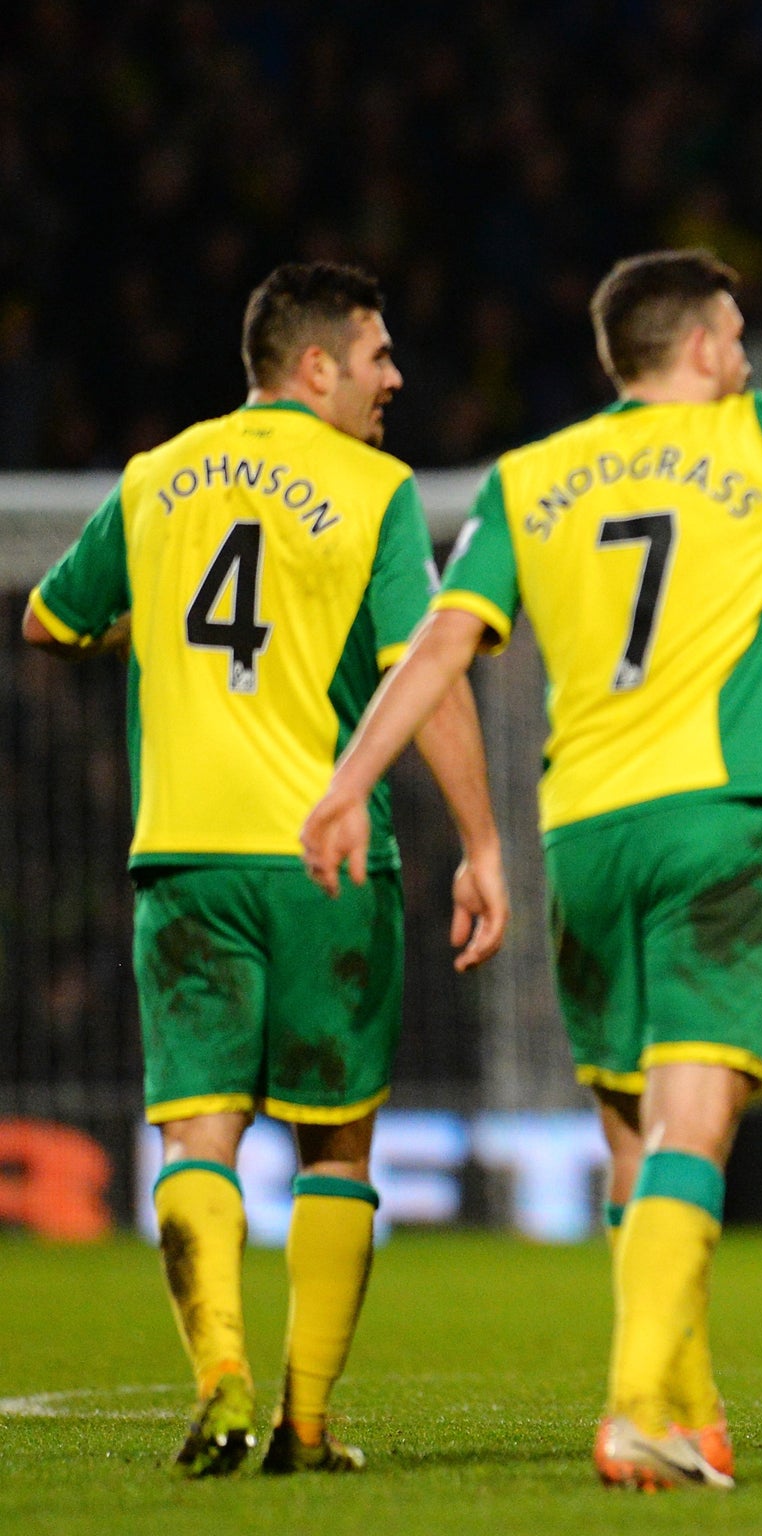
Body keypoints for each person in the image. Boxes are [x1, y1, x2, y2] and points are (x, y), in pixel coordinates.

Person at [299, 112, 762, 1491]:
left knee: (631, 1137)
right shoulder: (758, 443)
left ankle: (685, 1411)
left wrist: (347, 784)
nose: (746, 356)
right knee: (694, 1124)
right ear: (694, 352)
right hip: (715, 824)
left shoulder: (529, 478)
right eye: (736, 337)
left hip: (583, 833)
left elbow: (439, 642)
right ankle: (639, 1403)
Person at [23, 261, 508, 1477]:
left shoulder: (154, 477)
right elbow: (425, 670)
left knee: (199, 1138)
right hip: (323, 861)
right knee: (336, 1147)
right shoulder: (372, 489)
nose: (396, 378)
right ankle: (302, 1420)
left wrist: (157, 633)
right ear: (315, 366)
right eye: (379, 354)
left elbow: (47, 620)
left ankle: (219, 1374)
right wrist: (485, 844)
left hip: (180, 855)